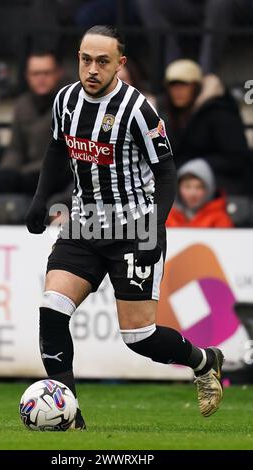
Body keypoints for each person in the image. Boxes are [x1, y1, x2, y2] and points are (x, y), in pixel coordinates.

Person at [25, 26, 224, 429]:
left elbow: (166, 172)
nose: (92, 69)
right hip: (84, 225)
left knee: (139, 338)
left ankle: (205, 360)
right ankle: (70, 415)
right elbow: (55, 151)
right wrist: (39, 200)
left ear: (121, 64)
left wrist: (154, 227)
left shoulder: (138, 109)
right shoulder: (65, 100)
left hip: (134, 229)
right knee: (52, 309)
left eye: (102, 61)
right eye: (85, 59)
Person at [155, 59, 251, 195]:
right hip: (179, 188)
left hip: (220, 188)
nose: (178, 90)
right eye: (173, 85)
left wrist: (196, 167)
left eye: (184, 85)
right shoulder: (167, 115)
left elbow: (237, 158)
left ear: (197, 86)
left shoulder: (219, 112)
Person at [0, 49, 72, 196]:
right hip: (27, 176)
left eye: (46, 73)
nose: (41, 78)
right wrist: (7, 169)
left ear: (58, 73)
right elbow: (16, 148)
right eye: (35, 74)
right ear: (27, 76)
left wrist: (28, 172)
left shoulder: (70, 103)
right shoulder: (22, 105)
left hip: (61, 177)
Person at [167, 158, 234, 228]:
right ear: (178, 188)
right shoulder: (165, 215)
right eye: (187, 187)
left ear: (209, 190)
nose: (192, 193)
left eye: (199, 187)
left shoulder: (220, 218)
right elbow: (154, 235)